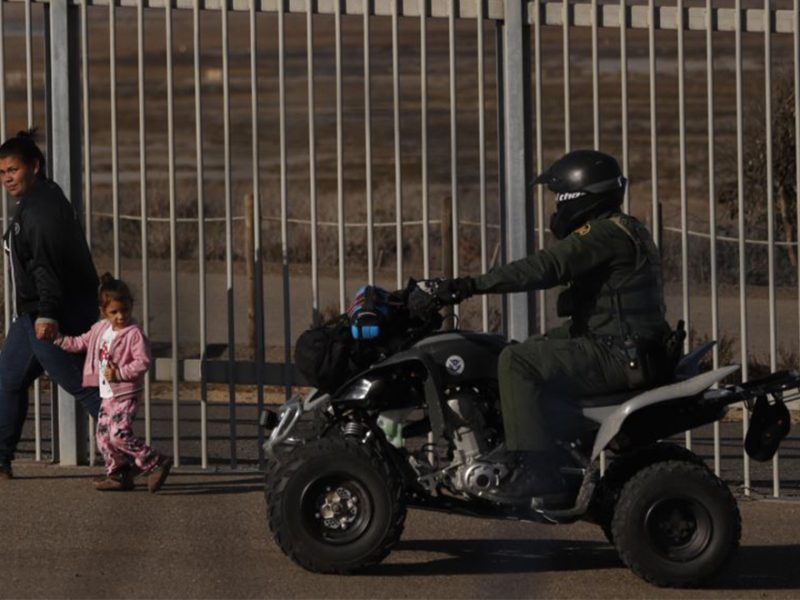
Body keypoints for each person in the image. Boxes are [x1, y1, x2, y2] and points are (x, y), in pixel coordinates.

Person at [434, 149, 671, 501]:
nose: (557, 206)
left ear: (580, 196)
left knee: (517, 362)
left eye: (560, 197)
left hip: (619, 353)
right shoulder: (625, 226)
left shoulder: (602, 234)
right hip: (624, 344)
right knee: (522, 349)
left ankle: (535, 469)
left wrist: (471, 285)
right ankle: (533, 444)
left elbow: (545, 267)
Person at [0, 129, 101, 480]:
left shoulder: (40, 210)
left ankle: (134, 457)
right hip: (35, 311)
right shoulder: (37, 200)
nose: (7, 178)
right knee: (9, 379)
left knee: (82, 386)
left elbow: (45, 266)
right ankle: (1, 459)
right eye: (2, 172)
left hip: (52, 310)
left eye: (13, 170)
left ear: (34, 166)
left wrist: (47, 314)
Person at [55, 273, 171, 492]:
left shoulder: (134, 334)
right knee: (103, 437)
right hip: (107, 394)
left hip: (126, 393)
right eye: (114, 312)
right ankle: (119, 474)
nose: (120, 316)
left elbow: (143, 362)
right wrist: (58, 339)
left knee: (119, 435)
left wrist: (119, 373)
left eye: (125, 310)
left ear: (131, 306)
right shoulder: (100, 329)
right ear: (103, 311)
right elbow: (80, 343)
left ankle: (155, 461)